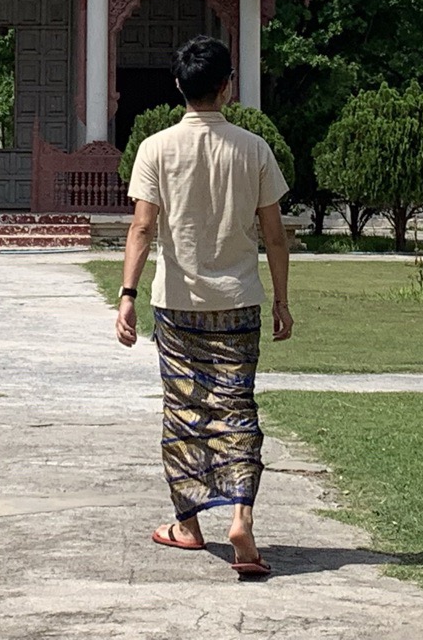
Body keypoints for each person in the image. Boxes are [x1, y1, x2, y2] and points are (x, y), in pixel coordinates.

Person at [114, 34, 292, 580]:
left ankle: (189, 525)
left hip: (177, 302)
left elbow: (143, 226)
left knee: (185, 410)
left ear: (178, 87)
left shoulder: (156, 148)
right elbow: (275, 235)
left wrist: (126, 295)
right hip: (238, 300)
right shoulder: (253, 148)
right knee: (236, 406)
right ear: (226, 86)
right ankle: (241, 517)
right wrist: (282, 298)